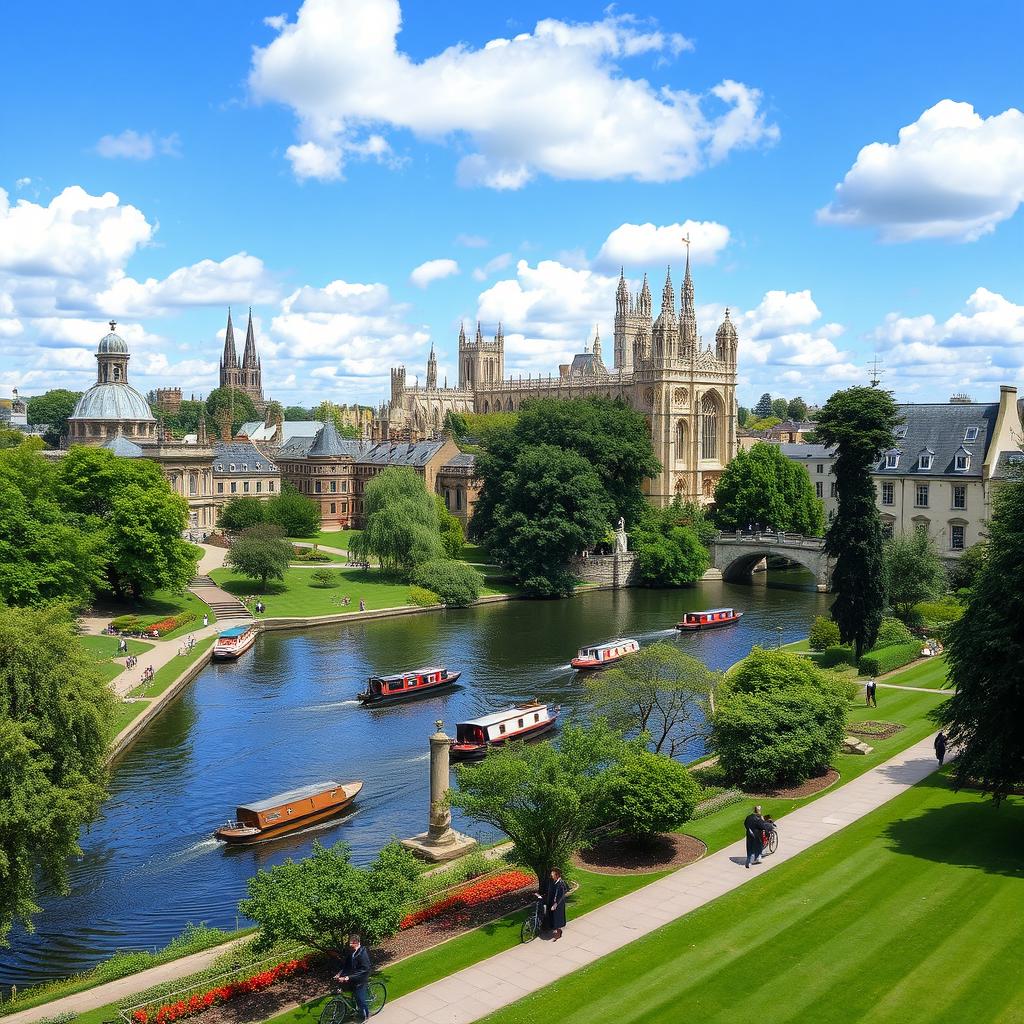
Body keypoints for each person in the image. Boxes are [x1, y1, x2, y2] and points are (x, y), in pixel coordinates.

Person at [333, 934, 371, 1021]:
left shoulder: (362, 954)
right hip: (352, 977)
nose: (350, 945)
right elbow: (347, 965)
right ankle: (352, 1009)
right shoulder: (352, 953)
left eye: (352, 943)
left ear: (357, 943)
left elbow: (364, 970)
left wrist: (347, 978)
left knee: (360, 999)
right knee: (345, 991)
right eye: (350, 942)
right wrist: (339, 974)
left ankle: (365, 1015)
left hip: (361, 979)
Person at [544, 868, 567, 941]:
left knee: (557, 917)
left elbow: (562, 894)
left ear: (557, 875)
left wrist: (555, 904)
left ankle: (559, 932)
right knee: (552, 915)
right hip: (552, 902)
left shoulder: (561, 883)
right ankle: (552, 928)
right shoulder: (553, 881)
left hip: (558, 904)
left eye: (553, 873)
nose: (551, 874)